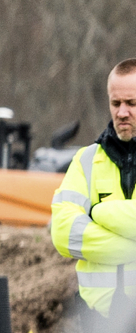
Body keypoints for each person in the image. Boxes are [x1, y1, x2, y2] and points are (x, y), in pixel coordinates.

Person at [47, 56, 136, 316]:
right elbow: (63, 232)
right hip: (97, 321)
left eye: (131, 103)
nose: (122, 112)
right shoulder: (86, 160)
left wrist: (97, 212)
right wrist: (130, 248)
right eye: (116, 103)